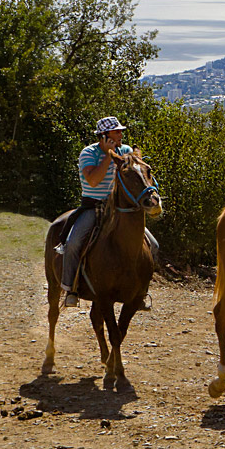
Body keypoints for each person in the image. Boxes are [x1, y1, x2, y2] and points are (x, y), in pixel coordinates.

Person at [59, 116, 159, 308]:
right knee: (73, 244)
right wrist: (108, 155)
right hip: (93, 207)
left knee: (153, 245)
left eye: (121, 131)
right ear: (104, 136)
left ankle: (140, 293)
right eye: (116, 132)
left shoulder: (127, 151)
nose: (121, 134)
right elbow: (93, 181)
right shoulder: (88, 153)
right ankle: (70, 288)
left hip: (119, 208)